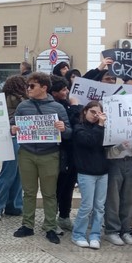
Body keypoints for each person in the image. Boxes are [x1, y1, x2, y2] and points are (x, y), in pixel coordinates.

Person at [10, 72, 72, 244]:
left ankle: (50, 226)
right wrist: (13, 130)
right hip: (27, 153)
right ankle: (27, 225)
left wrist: (62, 128)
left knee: (49, 193)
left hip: (50, 154)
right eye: (27, 86)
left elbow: (69, 133)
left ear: (44, 87)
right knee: (28, 192)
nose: (28, 89)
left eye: (32, 86)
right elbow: (12, 126)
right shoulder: (23, 106)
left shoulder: (58, 108)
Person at [70, 101, 109, 249]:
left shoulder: (103, 128)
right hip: (86, 172)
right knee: (87, 206)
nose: (95, 116)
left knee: (99, 207)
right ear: (85, 111)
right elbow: (90, 141)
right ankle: (78, 234)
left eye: (98, 113)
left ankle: (95, 235)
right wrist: (100, 125)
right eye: (92, 112)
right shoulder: (79, 128)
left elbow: (109, 143)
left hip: (103, 172)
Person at [0, 75, 26, 220]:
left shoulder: (3, 98)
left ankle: (7, 206)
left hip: (10, 137)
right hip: (16, 137)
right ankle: (0, 206)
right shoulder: (20, 100)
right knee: (12, 174)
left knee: (13, 173)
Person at [50, 75, 82, 232]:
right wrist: (75, 107)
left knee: (69, 186)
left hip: (72, 153)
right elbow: (73, 124)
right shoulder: (57, 107)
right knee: (59, 187)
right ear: (55, 92)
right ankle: (52, 218)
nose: (67, 91)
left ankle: (64, 216)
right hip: (60, 152)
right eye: (63, 89)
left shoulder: (65, 103)